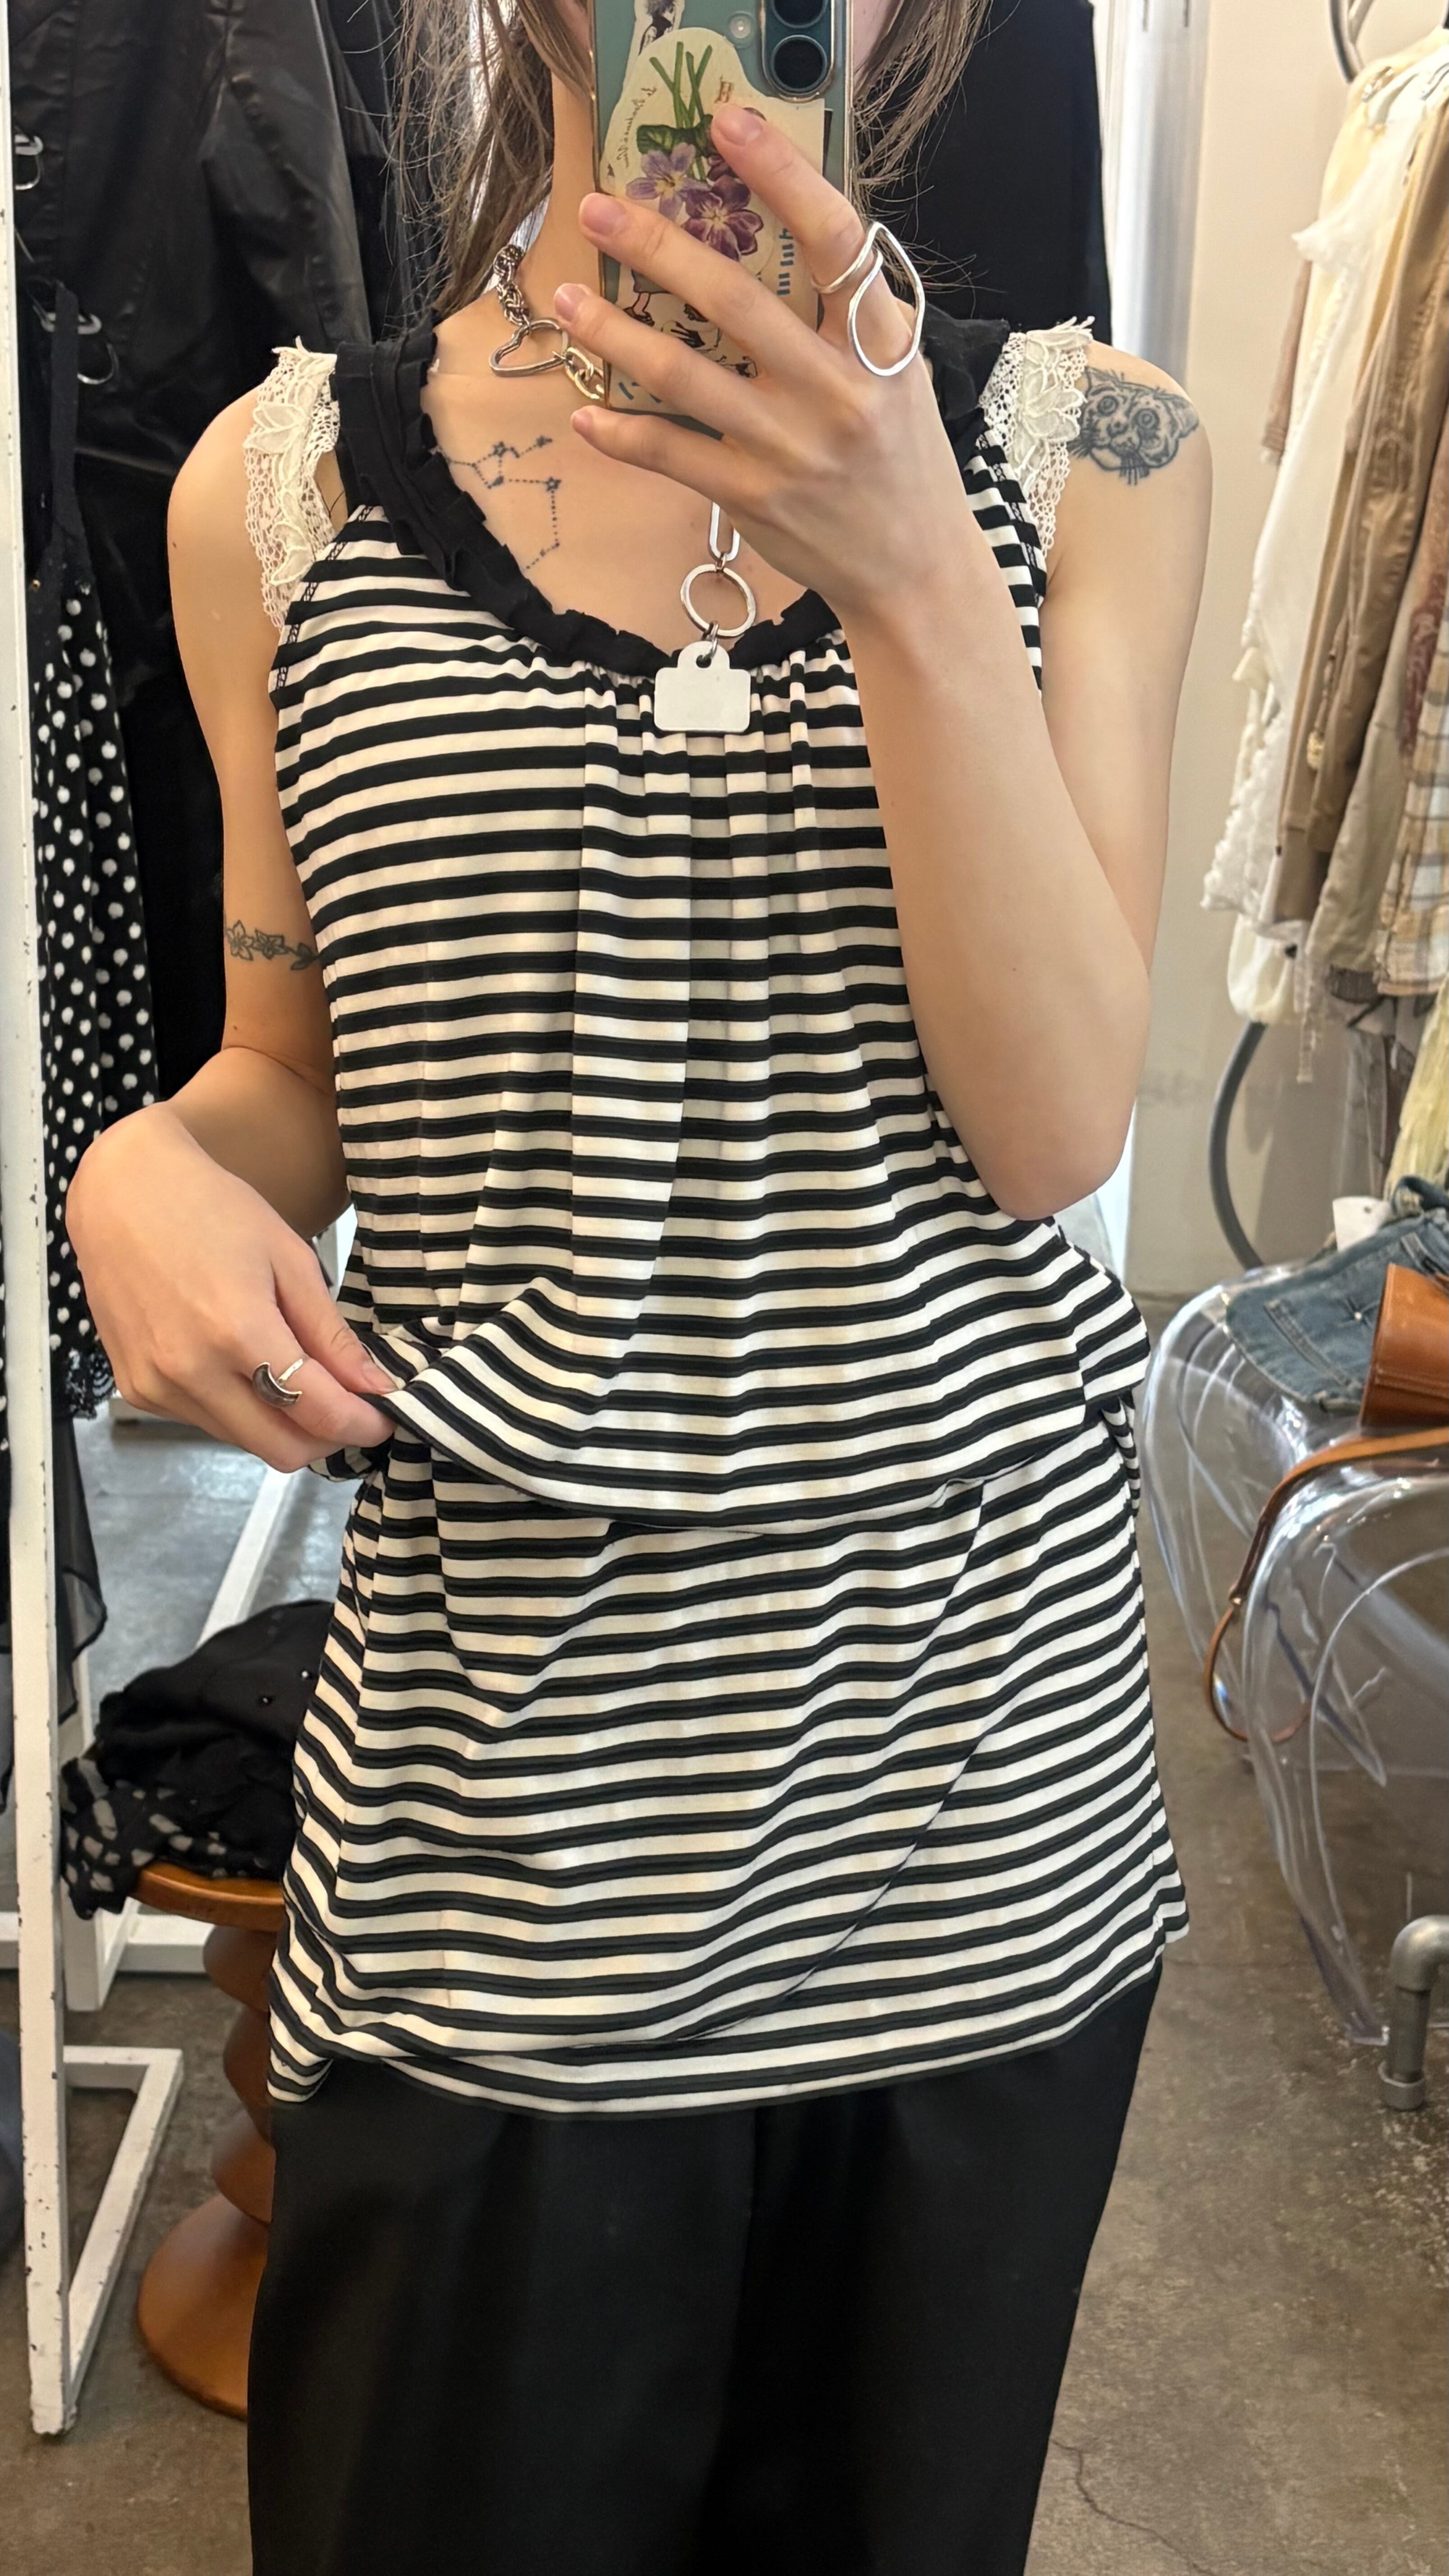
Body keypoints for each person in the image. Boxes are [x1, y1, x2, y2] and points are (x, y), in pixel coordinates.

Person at [67, 0, 1210, 2566]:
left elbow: (1052, 1131)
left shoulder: (1100, 454)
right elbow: (293, 1072)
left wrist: (903, 552)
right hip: (496, 1874)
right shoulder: (278, 492)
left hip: (977, 1864)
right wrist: (142, 1164)